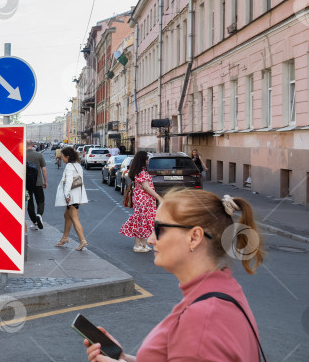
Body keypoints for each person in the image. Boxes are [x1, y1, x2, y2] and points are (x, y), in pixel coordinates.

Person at [84, 189, 265, 362]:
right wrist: (124, 359)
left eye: (159, 228)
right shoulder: (223, 289)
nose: (150, 239)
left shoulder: (201, 321)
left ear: (194, 237)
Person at [119, 151, 162, 252]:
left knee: (142, 221)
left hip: (141, 198)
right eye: (147, 158)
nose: (148, 160)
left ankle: (143, 244)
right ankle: (137, 245)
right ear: (142, 160)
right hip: (144, 199)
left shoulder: (138, 171)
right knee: (141, 221)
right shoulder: (142, 172)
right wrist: (158, 197)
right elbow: (146, 187)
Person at [55, 146, 88, 250]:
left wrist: (67, 195)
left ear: (68, 157)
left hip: (72, 196)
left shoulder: (69, 166)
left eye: (63, 157)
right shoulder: (77, 165)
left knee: (74, 217)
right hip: (77, 194)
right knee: (67, 215)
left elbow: (69, 181)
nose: (62, 159)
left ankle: (82, 240)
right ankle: (65, 237)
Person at [26, 145, 48, 230]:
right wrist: (45, 181)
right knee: (40, 201)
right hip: (38, 183)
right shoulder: (39, 155)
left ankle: (34, 222)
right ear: (32, 146)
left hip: (26, 185)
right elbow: (44, 170)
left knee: (29, 203)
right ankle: (39, 215)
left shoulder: (21, 155)